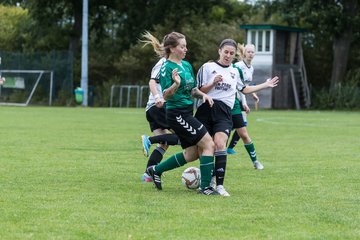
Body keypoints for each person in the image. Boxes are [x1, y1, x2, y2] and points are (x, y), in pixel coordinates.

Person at [196, 39, 279, 196]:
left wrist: (264, 85)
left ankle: (219, 185)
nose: (228, 55)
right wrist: (213, 83)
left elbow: (244, 89)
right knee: (199, 150)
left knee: (220, 144)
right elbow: (198, 90)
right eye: (226, 52)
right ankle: (205, 182)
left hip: (224, 113)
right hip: (206, 110)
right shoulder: (207, 67)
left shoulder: (234, 71)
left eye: (231, 53)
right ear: (219, 51)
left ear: (235, 55)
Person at [145, 31, 219, 195]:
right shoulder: (166, 68)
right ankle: (206, 188)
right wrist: (175, 84)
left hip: (187, 112)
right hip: (177, 115)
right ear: (171, 48)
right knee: (209, 144)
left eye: (186, 46)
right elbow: (165, 95)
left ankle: (156, 170)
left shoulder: (186, 65)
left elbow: (192, 90)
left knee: (192, 153)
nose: (186, 49)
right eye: (182, 46)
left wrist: (203, 94)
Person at [139, 31, 180, 182]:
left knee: (164, 143)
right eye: (182, 46)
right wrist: (157, 97)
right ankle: (148, 140)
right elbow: (152, 81)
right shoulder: (163, 63)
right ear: (173, 48)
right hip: (158, 107)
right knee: (181, 137)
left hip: (153, 109)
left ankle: (147, 174)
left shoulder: (171, 64)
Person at [227, 43, 264, 170]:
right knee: (222, 134)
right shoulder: (237, 67)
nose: (250, 54)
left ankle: (255, 162)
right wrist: (244, 103)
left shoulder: (251, 68)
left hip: (237, 103)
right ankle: (224, 153)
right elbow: (237, 87)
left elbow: (244, 86)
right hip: (230, 101)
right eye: (248, 51)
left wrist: (252, 95)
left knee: (243, 133)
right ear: (244, 53)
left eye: (252, 52)